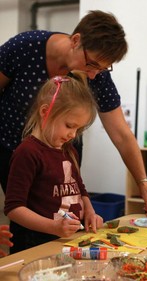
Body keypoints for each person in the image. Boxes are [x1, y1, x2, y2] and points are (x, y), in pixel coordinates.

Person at [0, 10, 147, 217]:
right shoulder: (24, 47)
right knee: (31, 217)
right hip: (13, 148)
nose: (95, 73)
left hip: (63, 153)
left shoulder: (96, 75)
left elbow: (121, 134)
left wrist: (144, 185)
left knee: (67, 216)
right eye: (92, 64)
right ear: (76, 40)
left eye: (103, 69)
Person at [4, 72, 104, 254]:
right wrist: (53, 227)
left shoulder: (68, 150)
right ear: (45, 112)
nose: (73, 135)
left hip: (68, 242)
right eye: (69, 125)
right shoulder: (27, 152)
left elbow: (80, 189)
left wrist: (89, 211)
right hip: (36, 246)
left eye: (78, 129)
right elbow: (14, 208)